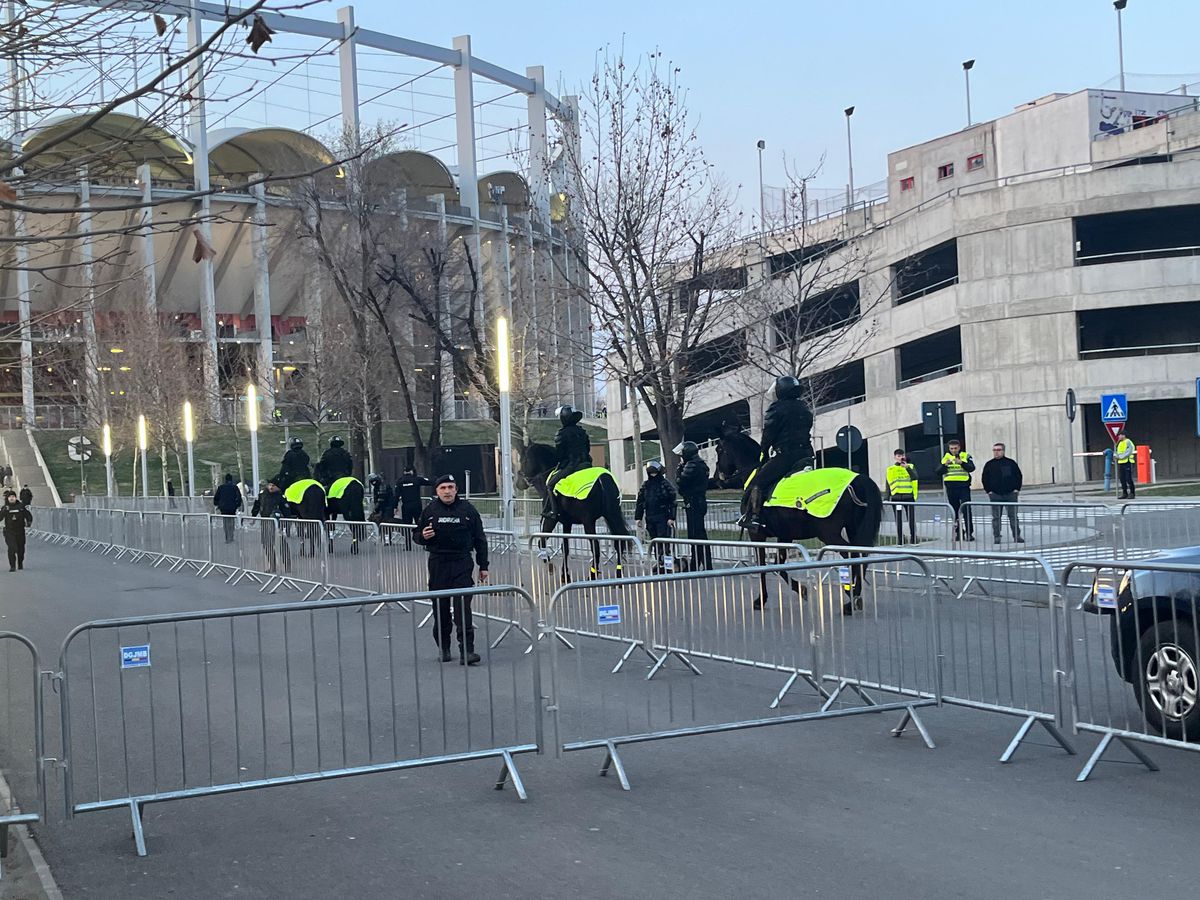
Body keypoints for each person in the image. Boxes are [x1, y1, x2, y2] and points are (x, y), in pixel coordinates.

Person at [414, 475, 489, 665]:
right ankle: (444, 647)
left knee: (462, 608)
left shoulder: (468, 510)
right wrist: (423, 536)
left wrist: (484, 566)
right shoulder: (430, 510)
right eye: (443, 488)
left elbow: (480, 538)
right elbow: (416, 535)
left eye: (451, 487)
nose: (447, 491)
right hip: (438, 563)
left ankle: (467, 651)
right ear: (437, 491)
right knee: (441, 608)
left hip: (462, 562)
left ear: (456, 490)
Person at [741, 375, 815, 530]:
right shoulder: (804, 407)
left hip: (786, 456)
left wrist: (764, 453)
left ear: (780, 391)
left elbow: (768, 435)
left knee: (758, 482)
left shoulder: (776, 409)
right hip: (806, 455)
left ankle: (753, 518)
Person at [544, 405, 592, 520]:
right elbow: (588, 448)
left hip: (572, 466)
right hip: (586, 464)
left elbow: (560, 455)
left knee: (550, 485)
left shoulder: (561, 433)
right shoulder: (582, 432)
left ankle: (554, 512)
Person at [674, 441, 712, 570]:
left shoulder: (692, 465)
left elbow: (681, 482)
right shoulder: (700, 464)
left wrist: (679, 470)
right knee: (698, 534)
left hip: (694, 501)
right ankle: (699, 564)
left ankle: (701, 565)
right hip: (698, 501)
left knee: (696, 535)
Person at [634, 460, 677, 569]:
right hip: (650, 517)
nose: (653, 475)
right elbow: (640, 501)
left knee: (664, 542)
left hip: (663, 516)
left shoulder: (664, 484)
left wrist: (671, 517)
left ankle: (667, 565)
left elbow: (672, 501)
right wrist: (638, 517)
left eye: (654, 472)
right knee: (655, 542)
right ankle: (659, 562)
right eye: (651, 473)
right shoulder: (646, 485)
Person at [980, 442, 1024, 544]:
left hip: (1010, 494)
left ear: (1003, 451)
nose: (996, 452)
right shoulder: (989, 464)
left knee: (1013, 516)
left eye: (998, 450)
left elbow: (1018, 476)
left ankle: (1017, 536)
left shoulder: (1011, 463)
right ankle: (997, 536)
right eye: (994, 450)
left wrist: (1017, 489)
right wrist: (989, 491)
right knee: (996, 517)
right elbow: (984, 478)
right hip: (995, 495)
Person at [935, 439, 976, 541]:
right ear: (949, 448)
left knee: (966, 509)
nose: (953, 450)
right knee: (955, 511)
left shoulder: (965, 456)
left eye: (955, 448)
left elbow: (971, 468)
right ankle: (958, 532)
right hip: (951, 487)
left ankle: (969, 533)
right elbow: (938, 471)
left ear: (959, 447)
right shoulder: (946, 457)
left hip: (963, 487)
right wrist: (945, 465)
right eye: (951, 448)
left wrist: (962, 463)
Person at [250, 478, 290, 573]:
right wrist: (253, 517)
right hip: (265, 521)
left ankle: (287, 566)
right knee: (267, 544)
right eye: (270, 485)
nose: (271, 487)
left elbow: (287, 511)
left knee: (282, 544)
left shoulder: (281, 497)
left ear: (278, 487)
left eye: (274, 485)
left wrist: (286, 524)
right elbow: (257, 505)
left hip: (277, 524)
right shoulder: (262, 494)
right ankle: (272, 566)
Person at [884, 449, 918, 545]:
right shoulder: (890, 469)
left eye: (901, 455)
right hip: (896, 498)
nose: (900, 458)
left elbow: (915, 477)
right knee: (898, 520)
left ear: (904, 456)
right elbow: (888, 484)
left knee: (911, 519)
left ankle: (914, 538)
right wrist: (886, 498)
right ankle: (900, 539)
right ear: (895, 457)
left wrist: (907, 467)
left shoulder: (910, 466)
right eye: (898, 456)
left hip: (909, 496)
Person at [396, 466, 432, 549]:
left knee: (406, 526)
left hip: (406, 506)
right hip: (416, 505)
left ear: (404, 472)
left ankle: (408, 545)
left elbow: (396, 495)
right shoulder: (417, 479)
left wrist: (395, 507)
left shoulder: (400, 481)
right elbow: (429, 482)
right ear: (412, 471)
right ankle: (423, 543)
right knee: (420, 524)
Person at [3, 490, 31, 572]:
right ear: (8, 498)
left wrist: (29, 522)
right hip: (9, 531)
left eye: (13, 497)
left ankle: (20, 562)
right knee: (11, 548)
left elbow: (28, 515)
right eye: (10, 497)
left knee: (21, 549)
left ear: (15, 498)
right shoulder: (5, 508)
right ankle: (12, 566)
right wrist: (3, 512)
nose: (11, 498)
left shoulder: (21, 506)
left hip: (20, 531)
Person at [213, 473, 243, 543]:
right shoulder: (235, 487)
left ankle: (227, 537)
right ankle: (231, 536)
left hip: (223, 508)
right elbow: (239, 497)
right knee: (231, 521)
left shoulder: (221, 487)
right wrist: (237, 505)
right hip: (232, 507)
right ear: (231, 479)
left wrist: (218, 504)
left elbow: (216, 497)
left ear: (225, 480)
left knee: (225, 522)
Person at [1115, 430, 1137, 500]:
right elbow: (1117, 452)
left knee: (1128, 478)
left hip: (1128, 462)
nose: (1119, 436)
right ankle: (1125, 493)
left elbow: (1129, 452)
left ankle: (1132, 493)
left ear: (1123, 435)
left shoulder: (1128, 442)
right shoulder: (1119, 443)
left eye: (1120, 435)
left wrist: (1120, 457)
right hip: (1121, 463)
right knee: (1122, 479)